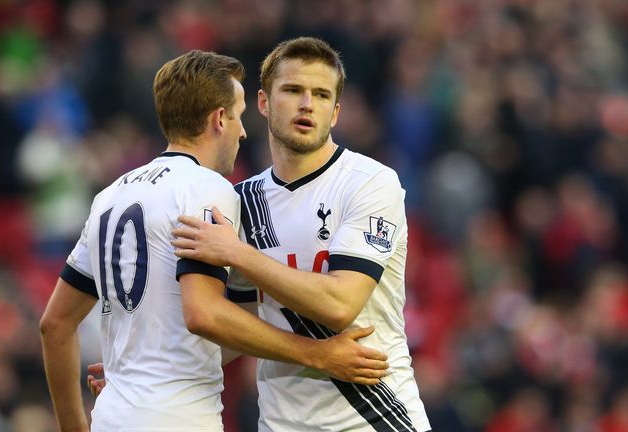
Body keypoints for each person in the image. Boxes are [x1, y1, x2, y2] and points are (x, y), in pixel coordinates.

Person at [39, 49, 391, 432]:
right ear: (219, 119)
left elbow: (54, 324)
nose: (242, 132)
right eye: (238, 116)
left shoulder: (108, 197)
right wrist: (319, 355)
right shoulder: (208, 189)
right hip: (178, 419)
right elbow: (204, 314)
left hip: (111, 416)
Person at [172, 37, 432, 431]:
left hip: (374, 417)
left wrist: (237, 253)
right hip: (282, 422)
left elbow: (340, 305)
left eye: (321, 95)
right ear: (262, 102)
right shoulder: (240, 201)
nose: (307, 104)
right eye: (293, 90)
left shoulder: (371, 183)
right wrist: (148, 371)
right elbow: (238, 325)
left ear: (336, 112)